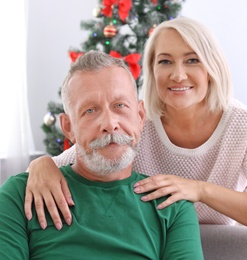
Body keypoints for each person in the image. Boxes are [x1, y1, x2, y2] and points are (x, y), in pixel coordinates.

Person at [25, 17, 247, 234]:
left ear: (211, 67)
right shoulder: (139, 120)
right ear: (153, 70)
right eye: (165, 61)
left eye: (192, 60)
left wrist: (199, 190)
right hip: (147, 238)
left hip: (215, 244)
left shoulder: (240, 123)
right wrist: (40, 164)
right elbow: (73, 159)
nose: (178, 75)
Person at [0, 50, 203, 259]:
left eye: (120, 106)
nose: (110, 124)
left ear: (140, 116)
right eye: (90, 110)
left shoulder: (173, 206)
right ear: (68, 127)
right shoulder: (20, 195)